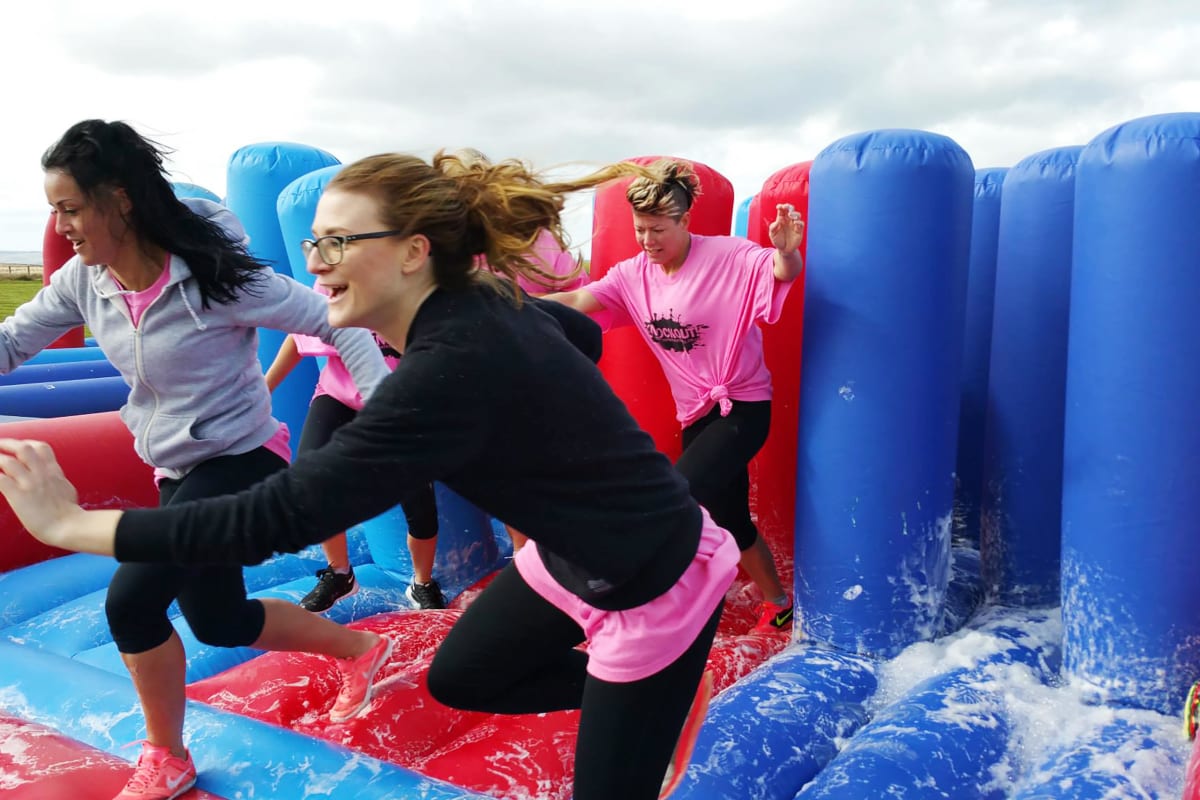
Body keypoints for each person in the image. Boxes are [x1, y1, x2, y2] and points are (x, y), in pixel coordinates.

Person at [0, 150, 740, 800]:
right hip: (570, 553)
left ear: (414, 251)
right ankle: (651, 697)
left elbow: (275, 517)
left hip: (655, 577)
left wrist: (68, 524)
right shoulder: (473, 306)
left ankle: (655, 693)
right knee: (462, 680)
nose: (313, 261)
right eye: (312, 242)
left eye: (336, 243)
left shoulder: (446, 368)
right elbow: (576, 333)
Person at [0, 119, 393, 800]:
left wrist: (390, 416)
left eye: (69, 207)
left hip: (242, 459)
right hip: (176, 468)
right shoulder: (84, 283)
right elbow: (13, 341)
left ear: (118, 199)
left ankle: (167, 757)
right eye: (53, 210)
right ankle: (363, 650)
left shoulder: (216, 278)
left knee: (132, 602)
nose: (61, 225)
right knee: (221, 620)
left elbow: (334, 321)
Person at [542, 159, 805, 633]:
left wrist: (787, 253)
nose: (647, 241)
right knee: (729, 515)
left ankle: (648, 613)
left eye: (658, 229)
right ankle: (779, 602)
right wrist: (516, 304)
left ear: (685, 222)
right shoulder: (633, 275)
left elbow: (780, 271)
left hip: (742, 406)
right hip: (697, 413)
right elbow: (582, 302)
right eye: (641, 230)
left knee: (674, 497)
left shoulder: (729, 256)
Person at [265, 324, 445, 611]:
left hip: (398, 403)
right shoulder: (334, 287)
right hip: (339, 395)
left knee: (420, 507)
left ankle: (422, 583)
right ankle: (340, 574)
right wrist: (266, 388)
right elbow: (297, 337)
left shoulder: (414, 290)